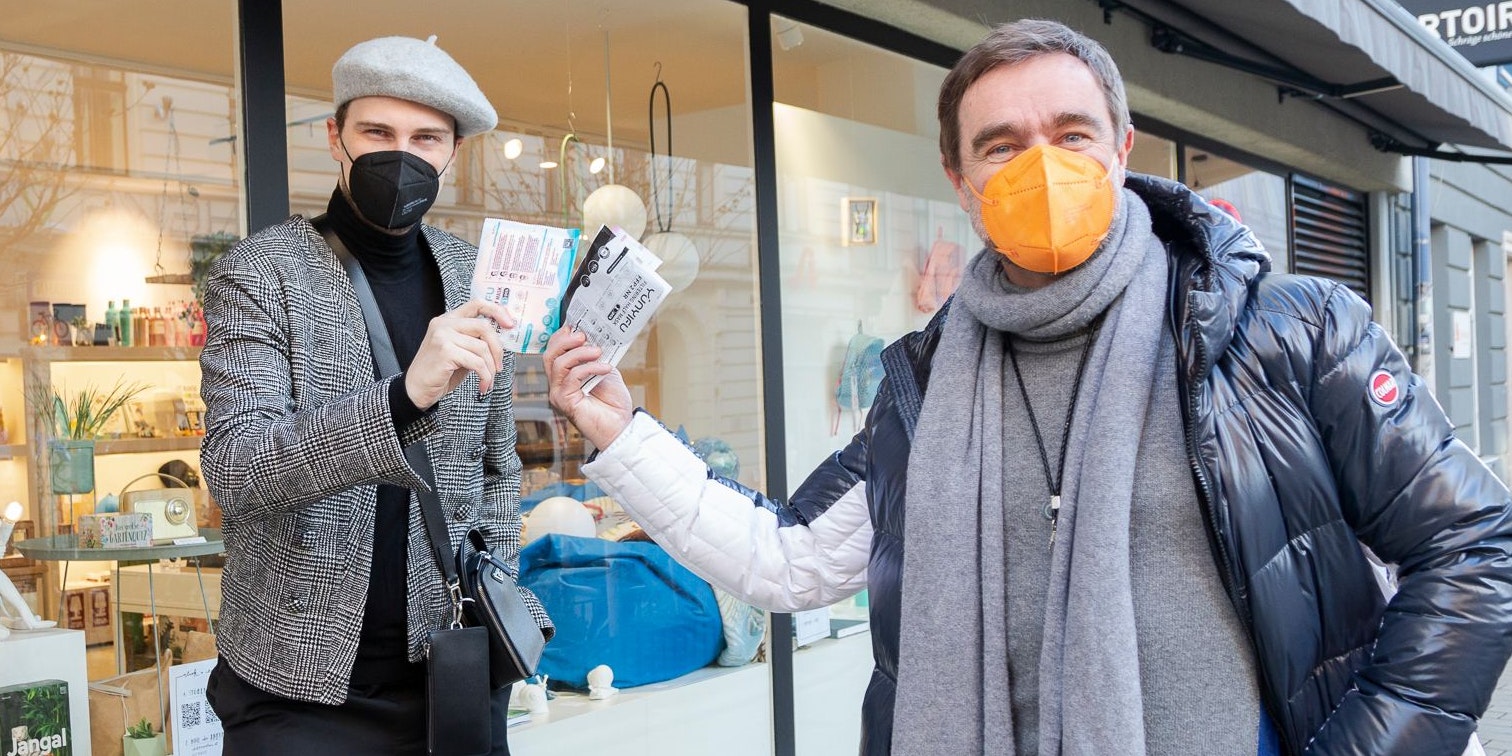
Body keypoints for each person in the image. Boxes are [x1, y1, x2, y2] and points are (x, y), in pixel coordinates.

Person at [543, 18, 1512, 756]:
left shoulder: (1287, 329)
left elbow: (1473, 546)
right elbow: (790, 562)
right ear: (960, 179)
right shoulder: (922, 387)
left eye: (1072, 133)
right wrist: (621, 433)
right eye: (1002, 146)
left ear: (1122, 150)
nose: (1042, 166)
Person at [199, 34, 552, 754]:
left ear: (452, 152)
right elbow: (236, 468)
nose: (402, 155)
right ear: (336, 137)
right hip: (296, 686)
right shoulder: (261, 275)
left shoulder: (474, 277)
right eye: (377, 132)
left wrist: (498, 596)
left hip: (451, 669)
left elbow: (497, 469)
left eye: (426, 137)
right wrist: (403, 398)